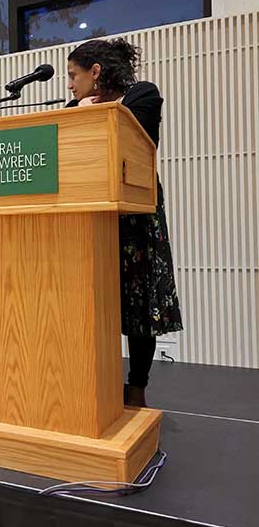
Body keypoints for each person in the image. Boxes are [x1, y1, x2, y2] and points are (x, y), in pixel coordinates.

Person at [66, 38, 183, 407]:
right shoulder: (74, 106)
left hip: (134, 215)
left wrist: (88, 111)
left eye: (73, 75)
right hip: (89, 214)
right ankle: (93, 382)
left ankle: (136, 388)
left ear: (95, 71)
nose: (69, 85)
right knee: (91, 298)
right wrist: (78, 109)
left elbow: (133, 138)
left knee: (137, 303)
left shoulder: (142, 95)